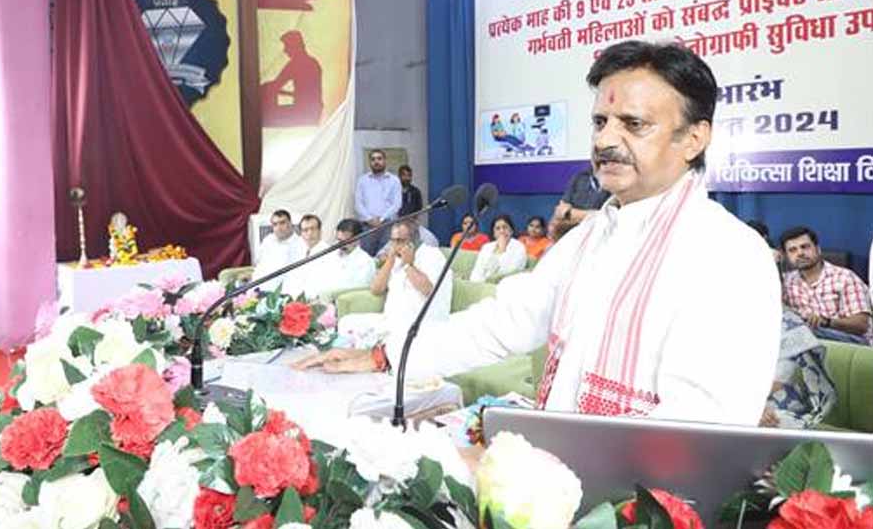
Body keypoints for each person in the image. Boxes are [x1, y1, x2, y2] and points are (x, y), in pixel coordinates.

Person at [297, 40, 782, 427]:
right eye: (600, 121)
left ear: (694, 138)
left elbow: (703, 424)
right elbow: (504, 322)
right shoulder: (590, 238)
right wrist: (385, 356)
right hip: (563, 480)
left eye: (633, 124)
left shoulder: (728, 255)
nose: (605, 140)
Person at [337, 219, 453, 347]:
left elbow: (428, 289)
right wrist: (390, 260)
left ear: (414, 240)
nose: (395, 245)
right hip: (390, 320)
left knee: (365, 340)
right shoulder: (396, 258)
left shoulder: (432, 255)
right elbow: (376, 289)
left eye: (400, 240)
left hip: (418, 324)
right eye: (392, 240)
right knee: (346, 322)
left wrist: (408, 265)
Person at [780, 226, 872, 346]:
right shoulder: (786, 281)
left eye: (805, 247)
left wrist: (826, 322)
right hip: (808, 342)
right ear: (786, 256)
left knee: (804, 333)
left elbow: (861, 325)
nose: (800, 253)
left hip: (851, 342)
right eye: (793, 250)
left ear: (818, 249)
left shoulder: (844, 277)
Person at [759, 311, 838, 429]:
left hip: (779, 405)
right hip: (738, 404)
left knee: (770, 421)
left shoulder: (788, 324)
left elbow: (779, 380)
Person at [297, 219, 376, 300]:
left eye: (346, 241)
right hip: (318, 299)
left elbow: (358, 291)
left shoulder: (366, 262)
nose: (341, 245)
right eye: (339, 240)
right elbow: (315, 279)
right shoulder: (329, 254)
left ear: (357, 240)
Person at [260, 30, 323, 127]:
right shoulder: (313, 62)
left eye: (286, 46)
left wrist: (261, 88)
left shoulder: (295, 64)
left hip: (302, 113)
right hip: (313, 112)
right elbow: (305, 93)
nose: (285, 50)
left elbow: (276, 85)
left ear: (294, 46)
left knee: (262, 118)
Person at [354, 149, 402, 255]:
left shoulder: (394, 180)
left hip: (388, 225)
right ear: (370, 162)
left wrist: (381, 219)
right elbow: (358, 204)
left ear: (385, 160)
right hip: (367, 227)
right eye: (373, 159)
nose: (376, 162)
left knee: (385, 256)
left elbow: (397, 204)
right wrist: (370, 219)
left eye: (379, 159)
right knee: (365, 256)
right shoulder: (362, 180)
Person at [252, 209, 307, 292]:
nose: (279, 228)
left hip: (283, 292)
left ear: (290, 224)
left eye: (282, 223)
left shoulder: (301, 244)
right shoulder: (268, 240)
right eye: (275, 224)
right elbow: (258, 264)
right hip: (257, 289)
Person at [549, 166, 609, 233]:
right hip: (572, 229)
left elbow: (606, 216)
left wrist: (570, 214)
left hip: (598, 230)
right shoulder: (580, 176)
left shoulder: (613, 181)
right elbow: (561, 209)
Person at [282, 214, 330, 297]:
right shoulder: (295, 251)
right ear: (301, 233)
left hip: (315, 300)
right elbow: (289, 278)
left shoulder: (329, 253)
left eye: (313, 229)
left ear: (320, 231)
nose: (310, 233)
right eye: (305, 230)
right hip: (292, 299)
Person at [470, 215, 528, 282]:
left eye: (505, 227)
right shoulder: (486, 247)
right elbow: (477, 271)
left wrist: (502, 250)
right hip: (481, 284)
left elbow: (508, 272)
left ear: (511, 231)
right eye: (498, 228)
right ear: (494, 233)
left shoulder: (519, 247)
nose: (502, 231)